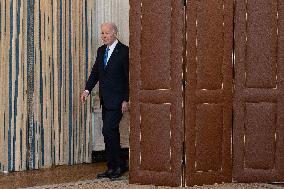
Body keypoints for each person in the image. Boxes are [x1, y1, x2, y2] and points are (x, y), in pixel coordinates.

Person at [81, 22, 129, 179]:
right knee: (110, 133)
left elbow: (129, 78)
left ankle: (119, 166)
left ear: (115, 33)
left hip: (118, 100)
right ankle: (113, 167)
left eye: (106, 33)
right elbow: (96, 72)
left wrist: (126, 99)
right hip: (105, 99)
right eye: (102, 33)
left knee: (108, 130)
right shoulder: (101, 51)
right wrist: (87, 90)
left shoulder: (124, 51)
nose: (103, 36)